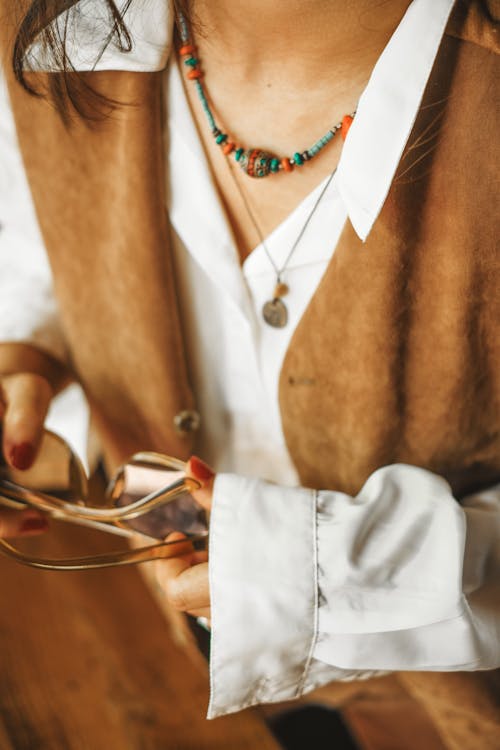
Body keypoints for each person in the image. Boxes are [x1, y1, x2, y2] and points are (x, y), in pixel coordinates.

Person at [0, 0, 499, 745]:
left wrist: (314, 571)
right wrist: (23, 352)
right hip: (160, 656)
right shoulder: (38, 28)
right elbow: (34, 227)